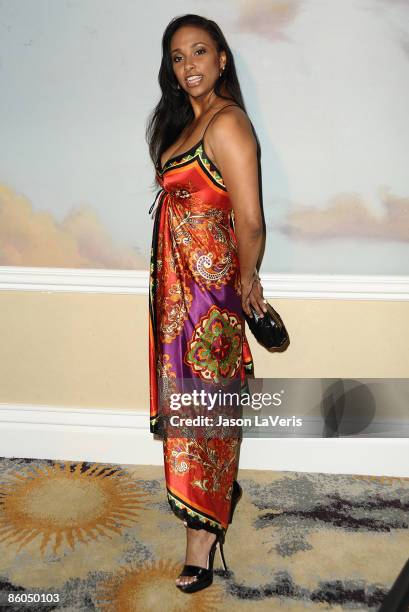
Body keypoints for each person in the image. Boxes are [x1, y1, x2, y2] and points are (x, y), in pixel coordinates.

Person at [146, 14, 266, 593]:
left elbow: (251, 220)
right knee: (190, 415)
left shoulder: (228, 123)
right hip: (176, 297)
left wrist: (248, 284)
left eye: (199, 51)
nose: (189, 64)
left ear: (221, 58)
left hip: (209, 305)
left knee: (204, 417)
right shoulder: (182, 125)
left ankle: (202, 537)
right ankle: (217, 498)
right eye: (177, 56)